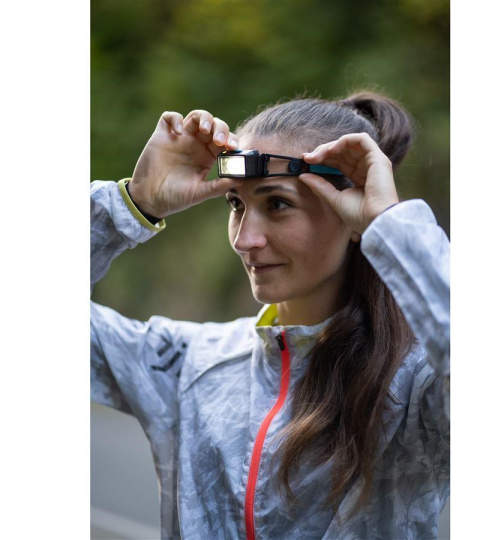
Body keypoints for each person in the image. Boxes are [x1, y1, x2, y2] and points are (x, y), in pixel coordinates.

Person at [91, 91, 450, 540]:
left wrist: (388, 226)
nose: (245, 240)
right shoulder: (190, 363)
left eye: (277, 204)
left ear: (352, 212)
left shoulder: (416, 387)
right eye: (236, 205)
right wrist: (133, 202)